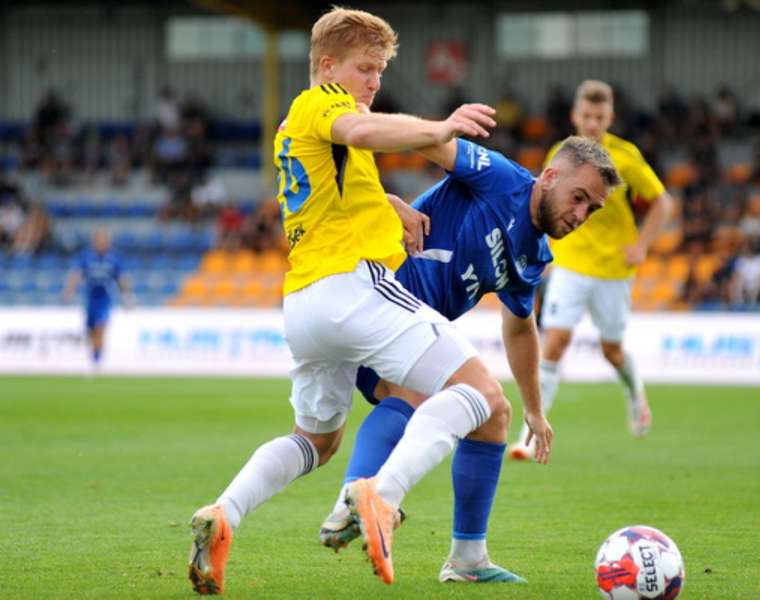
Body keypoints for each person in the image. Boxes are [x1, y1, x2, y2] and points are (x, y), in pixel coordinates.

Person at [186, 7, 504, 594]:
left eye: (380, 71)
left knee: (316, 440)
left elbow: (334, 181)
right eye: (366, 68)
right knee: (483, 395)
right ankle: (382, 498)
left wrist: (391, 203)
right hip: (351, 288)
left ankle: (223, 514)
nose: (375, 83)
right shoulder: (322, 105)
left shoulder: (301, 128)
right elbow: (358, 131)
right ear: (328, 66)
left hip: (306, 303)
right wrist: (439, 128)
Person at [317, 135, 620, 583]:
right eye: (578, 198)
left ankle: (464, 557)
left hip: (402, 326)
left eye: (592, 209)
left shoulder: (534, 255)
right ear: (551, 176)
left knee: (492, 415)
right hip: (378, 292)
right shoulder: (499, 178)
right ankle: (360, 503)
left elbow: (520, 327)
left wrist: (536, 411)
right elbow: (427, 142)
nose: (580, 216)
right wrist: (390, 198)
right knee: (451, 396)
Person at [509, 80, 674, 460]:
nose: (593, 123)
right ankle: (528, 435)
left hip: (613, 269)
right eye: (587, 116)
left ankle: (635, 393)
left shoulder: (626, 157)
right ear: (575, 116)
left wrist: (643, 244)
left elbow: (663, 203)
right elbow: (543, 200)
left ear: (609, 117)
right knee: (553, 343)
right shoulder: (561, 154)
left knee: (612, 351)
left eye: (600, 117)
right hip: (570, 263)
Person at [62, 230, 133, 371]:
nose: (102, 243)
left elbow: (122, 278)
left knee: (101, 328)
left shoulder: (114, 258)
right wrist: (69, 290)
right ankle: (94, 354)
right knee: (91, 331)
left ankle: (97, 361)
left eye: (104, 240)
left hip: (105, 298)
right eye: (99, 240)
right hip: (90, 298)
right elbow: (76, 273)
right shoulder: (86, 256)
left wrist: (127, 297)